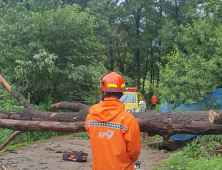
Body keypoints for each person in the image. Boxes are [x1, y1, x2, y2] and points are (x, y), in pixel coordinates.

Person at [85, 72, 141, 170]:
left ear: (103, 91)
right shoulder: (128, 119)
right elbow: (134, 152)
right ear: (122, 93)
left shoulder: (91, 117)